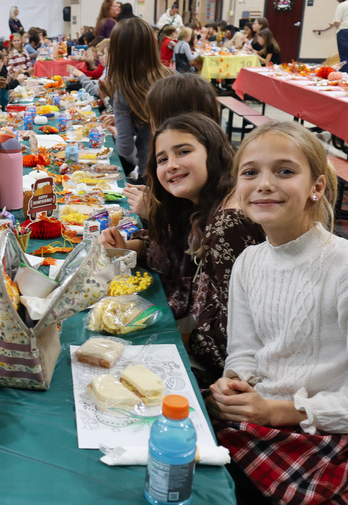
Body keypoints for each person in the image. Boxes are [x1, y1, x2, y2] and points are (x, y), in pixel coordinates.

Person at [207, 120, 348, 505]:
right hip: (260, 420)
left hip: (322, 437)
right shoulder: (249, 262)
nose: (264, 184)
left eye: (284, 171)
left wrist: (276, 410)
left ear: (317, 188)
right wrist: (235, 380)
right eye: (250, 172)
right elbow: (244, 350)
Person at [101, 113, 264, 388]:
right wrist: (129, 247)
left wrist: (167, 334)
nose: (172, 165)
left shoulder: (229, 224)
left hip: (226, 376)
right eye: (162, 159)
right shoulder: (199, 201)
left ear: (212, 151)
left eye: (183, 151)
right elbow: (174, 246)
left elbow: (231, 329)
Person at [120, 73, 220, 221]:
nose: (151, 124)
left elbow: (188, 239)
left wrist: (155, 216)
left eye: (153, 117)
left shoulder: (220, 211)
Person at [106, 17, 172, 179]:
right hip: (179, 167)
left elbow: (125, 147)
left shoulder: (125, 90)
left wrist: (115, 131)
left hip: (150, 171)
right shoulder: (171, 76)